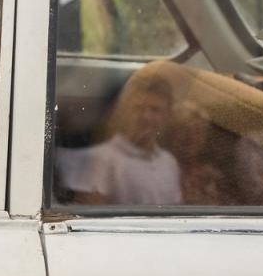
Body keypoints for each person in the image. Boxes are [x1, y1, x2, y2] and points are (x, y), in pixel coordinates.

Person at [62, 77, 183, 206]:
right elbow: (90, 218)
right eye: (138, 108)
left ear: (167, 115)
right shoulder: (101, 158)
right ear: (124, 111)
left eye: (155, 110)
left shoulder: (169, 161)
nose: (146, 116)